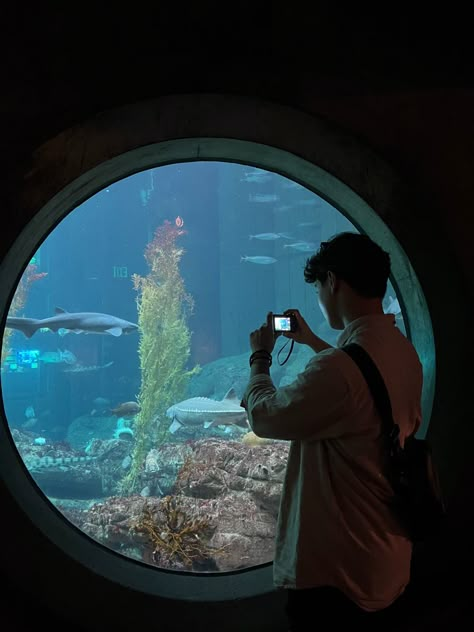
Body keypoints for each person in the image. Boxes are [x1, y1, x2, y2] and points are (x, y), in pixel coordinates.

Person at [240, 232, 423, 630]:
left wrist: (259, 358)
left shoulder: (337, 373)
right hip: (389, 555)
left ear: (333, 282)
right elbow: (361, 387)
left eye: (319, 286)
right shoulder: (402, 351)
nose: (320, 298)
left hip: (340, 578)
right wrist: (310, 342)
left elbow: (266, 416)